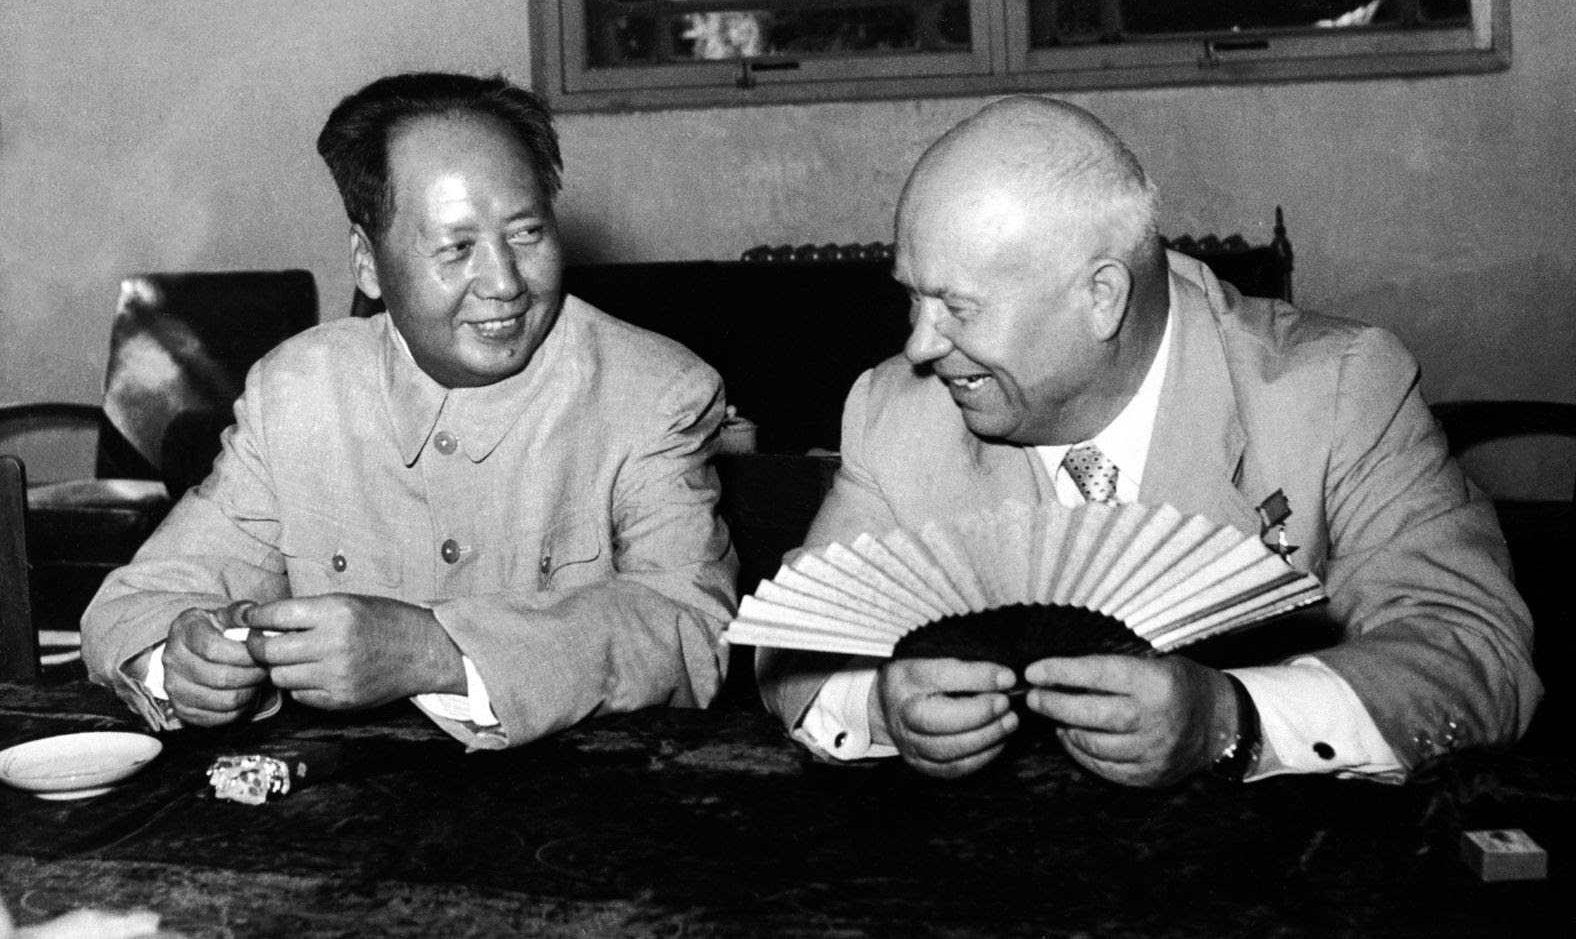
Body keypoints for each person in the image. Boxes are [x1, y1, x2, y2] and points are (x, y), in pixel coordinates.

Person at [756, 96, 1541, 786]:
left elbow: (1476, 655)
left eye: (958, 308)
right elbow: (792, 651)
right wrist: (884, 705)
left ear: (1101, 295)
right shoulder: (895, 411)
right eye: (913, 298)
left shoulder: (1338, 390)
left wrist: (1229, 719)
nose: (921, 346)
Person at [81, 72, 737, 748]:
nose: (506, 282)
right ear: (368, 262)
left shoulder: (653, 392)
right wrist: (180, 662)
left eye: (528, 233)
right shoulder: (299, 394)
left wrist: (435, 652)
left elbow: (693, 631)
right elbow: (128, 608)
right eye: (456, 248)